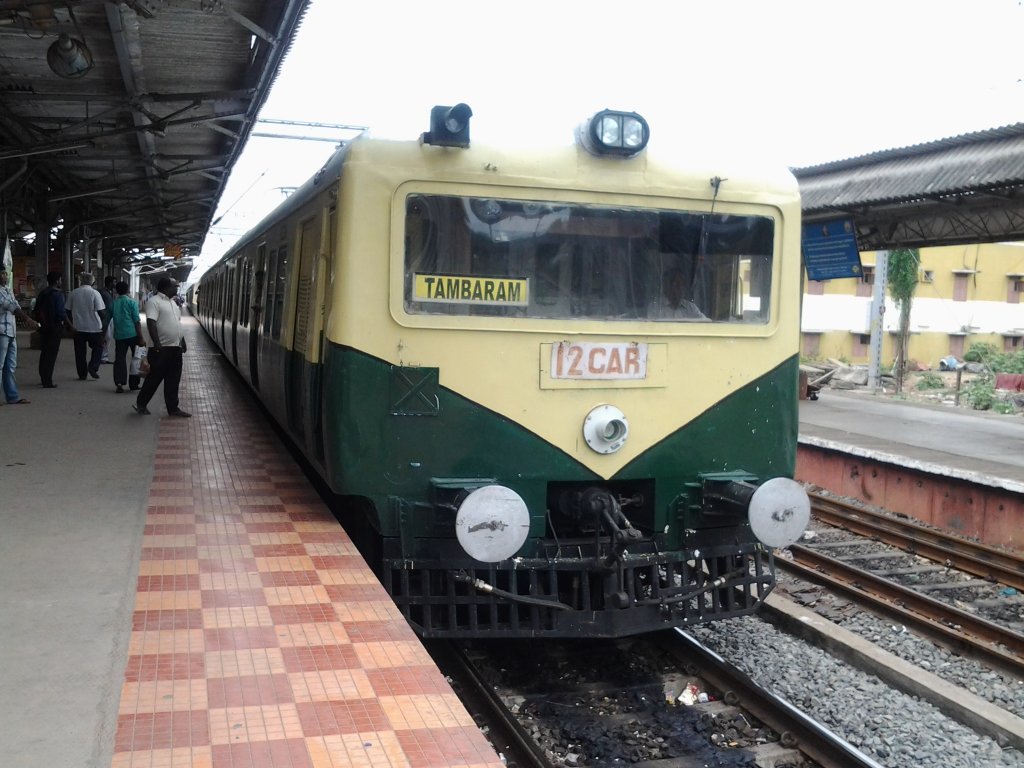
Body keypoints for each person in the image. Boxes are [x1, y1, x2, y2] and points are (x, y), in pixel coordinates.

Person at [133, 277, 190, 417]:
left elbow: (177, 324)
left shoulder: (174, 303)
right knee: (154, 379)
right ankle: (141, 404)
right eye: (174, 286)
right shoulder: (154, 302)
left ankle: (173, 409)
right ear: (166, 288)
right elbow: (151, 323)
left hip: (175, 348)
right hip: (161, 349)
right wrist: (157, 344)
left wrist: (182, 341)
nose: (177, 289)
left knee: (173, 379)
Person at [0, 267, 40, 404]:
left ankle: (12, 396)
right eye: (1, 274)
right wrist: (27, 319)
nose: (4, 276)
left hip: (10, 332)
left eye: (5, 273)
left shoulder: (8, 290)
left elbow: (16, 305)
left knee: (10, 366)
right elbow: (12, 307)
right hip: (1, 332)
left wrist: (28, 318)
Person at [33, 271, 72, 388]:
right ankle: (47, 380)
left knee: (45, 352)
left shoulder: (43, 293)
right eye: (60, 279)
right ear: (57, 281)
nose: (61, 281)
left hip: (44, 326)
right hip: (55, 327)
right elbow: (61, 312)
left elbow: (36, 309)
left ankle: (43, 377)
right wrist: (67, 325)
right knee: (51, 354)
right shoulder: (58, 294)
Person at [67, 272, 106, 380]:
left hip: (78, 327)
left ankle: (82, 374)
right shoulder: (95, 293)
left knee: (80, 352)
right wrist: (105, 325)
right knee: (98, 348)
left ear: (81, 281)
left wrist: (70, 325)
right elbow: (101, 312)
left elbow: (67, 311)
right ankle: (93, 366)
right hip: (94, 327)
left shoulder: (73, 293)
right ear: (92, 281)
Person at [110, 281, 145, 393]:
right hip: (133, 335)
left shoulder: (113, 304)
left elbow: (106, 321)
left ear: (116, 291)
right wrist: (141, 337)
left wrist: (101, 336)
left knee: (120, 359)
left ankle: (119, 383)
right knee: (136, 359)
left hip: (119, 336)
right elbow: (137, 322)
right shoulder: (132, 302)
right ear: (127, 290)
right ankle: (134, 384)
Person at [98, 275, 115, 363]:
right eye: (114, 282)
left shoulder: (110, 292)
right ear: (110, 283)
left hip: (110, 317)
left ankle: (104, 356)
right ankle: (101, 357)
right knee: (106, 336)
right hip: (104, 317)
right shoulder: (102, 292)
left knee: (109, 337)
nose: (115, 284)